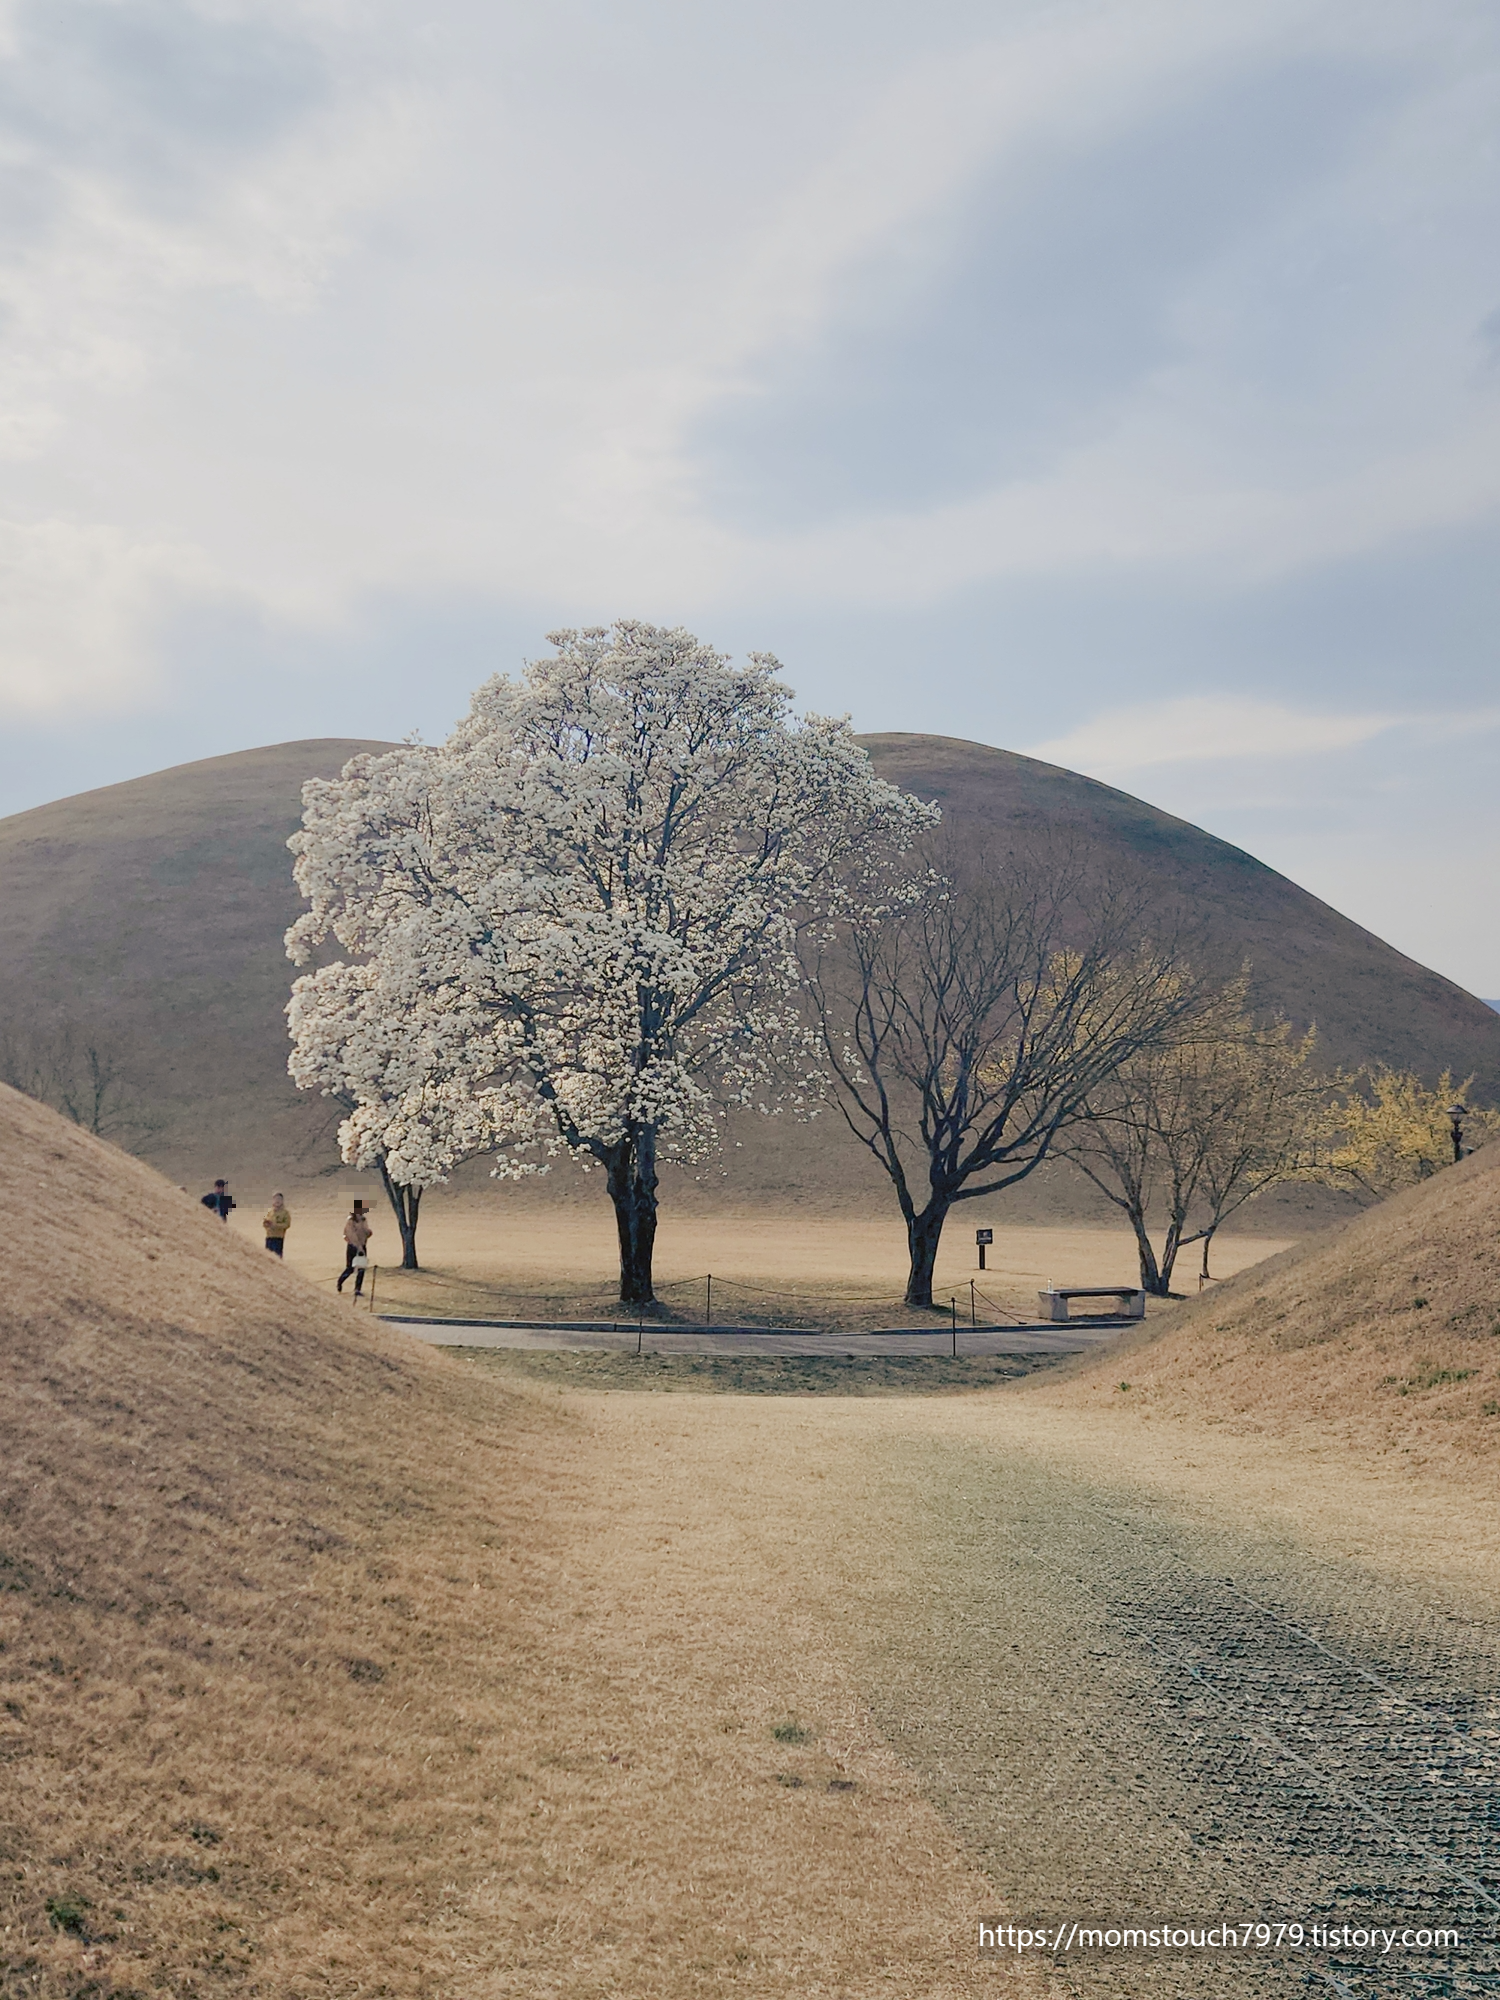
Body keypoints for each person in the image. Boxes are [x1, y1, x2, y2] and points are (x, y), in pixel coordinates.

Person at [337, 1199, 373, 1295]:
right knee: (350, 1268)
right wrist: (358, 1246)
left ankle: (357, 1289)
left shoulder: (363, 1219)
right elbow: (351, 1235)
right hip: (353, 1246)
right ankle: (340, 1282)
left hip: (362, 1246)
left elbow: (365, 1231)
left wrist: (368, 1233)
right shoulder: (351, 1220)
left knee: (361, 1268)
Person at [263, 1191, 292, 1257]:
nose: (277, 1201)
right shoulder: (270, 1211)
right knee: (268, 1256)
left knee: (277, 1256)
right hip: (269, 1237)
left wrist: (275, 1225)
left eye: (279, 1199)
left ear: (282, 1201)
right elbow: (265, 1221)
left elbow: (287, 1224)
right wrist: (266, 1224)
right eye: (276, 1199)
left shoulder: (285, 1213)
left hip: (278, 1237)